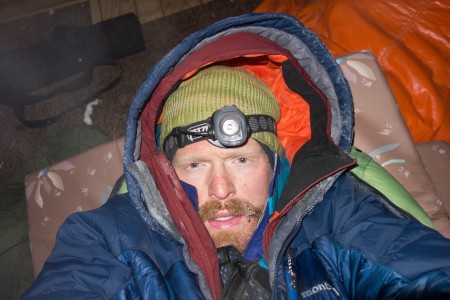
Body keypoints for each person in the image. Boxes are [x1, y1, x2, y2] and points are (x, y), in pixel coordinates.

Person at [22, 13, 450, 299]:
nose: (220, 190)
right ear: (166, 172)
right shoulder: (111, 237)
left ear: (276, 159)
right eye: (195, 165)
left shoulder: (339, 212)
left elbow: (415, 266)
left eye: (242, 160)